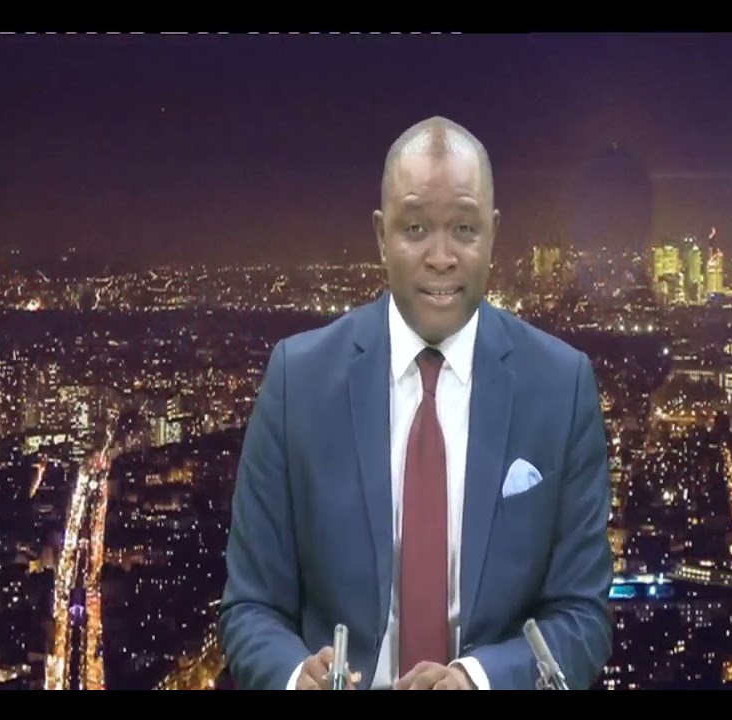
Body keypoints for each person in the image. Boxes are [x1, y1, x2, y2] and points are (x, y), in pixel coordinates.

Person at [218, 116, 613, 690]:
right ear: (381, 236)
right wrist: (294, 676)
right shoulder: (296, 381)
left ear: (493, 234)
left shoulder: (562, 385)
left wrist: (479, 680)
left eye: (464, 229)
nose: (441, 256)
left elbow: (584, 616)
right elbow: (249, 606)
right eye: (415, 228)